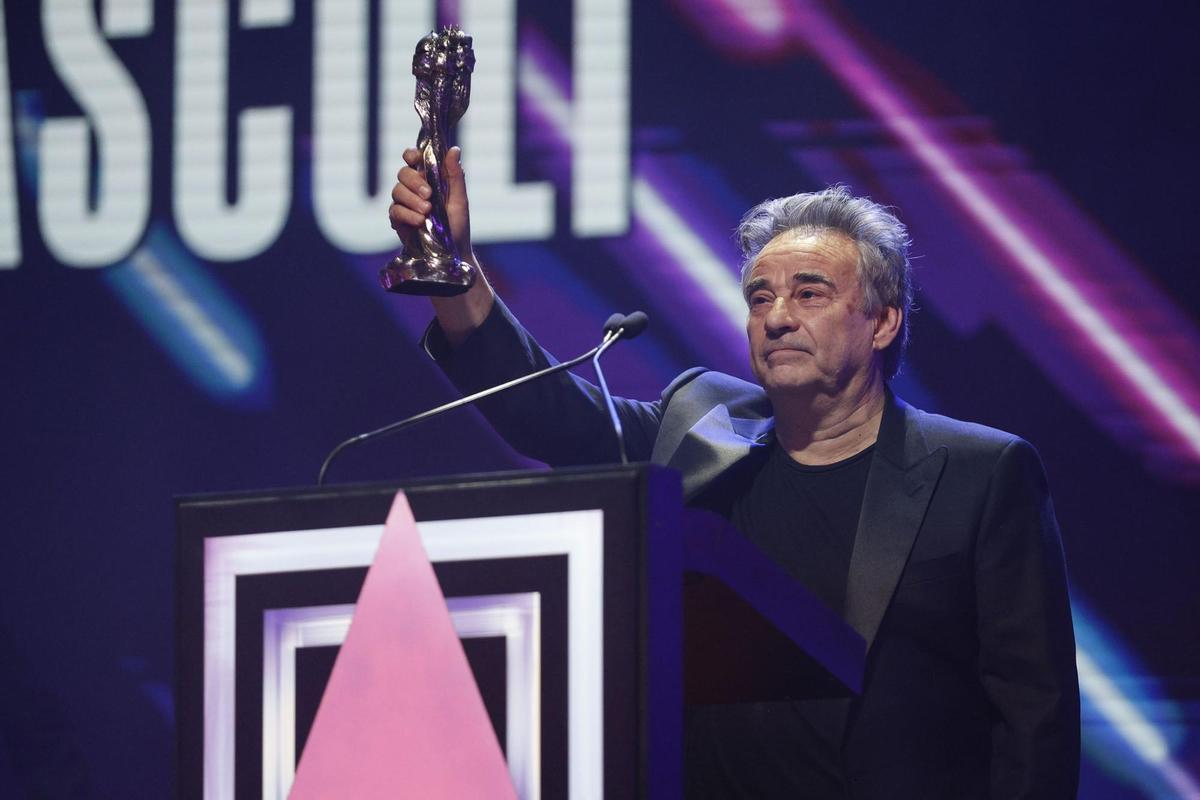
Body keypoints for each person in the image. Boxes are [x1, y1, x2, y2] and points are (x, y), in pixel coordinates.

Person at [389, 146, 1081, 798]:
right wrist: (454, 269)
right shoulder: (698, 424)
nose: (776, 318)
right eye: (759, 298)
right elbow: (545, 411)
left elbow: (1034, 717)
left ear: (883, 321)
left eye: (809, 294)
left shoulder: (980, 472)